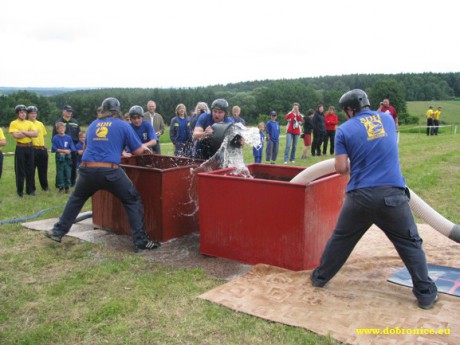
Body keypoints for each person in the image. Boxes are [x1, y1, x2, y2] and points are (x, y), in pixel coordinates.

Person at [310, 89, 438, 310]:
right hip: (392, 195)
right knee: (410, 244)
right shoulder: (387, 119)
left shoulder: (344, 130)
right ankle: (425, 294)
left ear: (350, 109)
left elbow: (340, 167)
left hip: (359, 197)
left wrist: (357, 163)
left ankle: (319, 278)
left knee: (341, 239)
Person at [45, 97, 161, 251]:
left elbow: (88, 148)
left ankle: (58, 231)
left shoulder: (93, 124)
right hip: (110, 171)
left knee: (76, 199)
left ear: (103, 110)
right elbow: (138, 150)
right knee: (132, 200)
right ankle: (140, 240)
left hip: (86, 170)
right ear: (117, 110)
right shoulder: (123, 125)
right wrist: (146, 150)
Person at [9, 105, 37, 197]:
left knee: (30, 169)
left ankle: (30, 190)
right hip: (20, 147)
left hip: (29, 147)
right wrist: (28, 133)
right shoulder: (14, 123)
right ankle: (20, 192)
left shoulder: (29, 123)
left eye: (24, 112)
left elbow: (35, 134)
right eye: (21, 112)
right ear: (17, 113)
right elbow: (16, 136)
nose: (23, 114)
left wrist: (23, 132)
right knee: (20, 170)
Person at [52, 105, 80, 187]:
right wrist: (59, 149)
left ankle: (71, 183)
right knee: (61, 167)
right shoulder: (58, 122)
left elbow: (79, 135)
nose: (69, 113)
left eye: (70, 111)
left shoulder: (75, 122)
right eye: (67, 111)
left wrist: (75, 148)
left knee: (72, 166)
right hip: (61, 149)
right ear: (63, 111)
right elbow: (54, 136)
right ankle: (60, 184)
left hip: (72, 148)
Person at [27, 106, 49, 192]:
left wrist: (45, 146)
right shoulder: (27, 124)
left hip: (42, 148)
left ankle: (45, 187)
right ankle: (32, 188)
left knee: (43, 170)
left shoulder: (40, 124)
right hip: (32, 148)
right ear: (28, 114)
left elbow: (43, 135)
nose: (34, 115)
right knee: (31, 170)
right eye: (32, 113)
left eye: (35, 113)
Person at [52, 122, 76, 193]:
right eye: (60, 128)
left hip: (67, 157)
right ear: (57, 129)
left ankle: (67, 187)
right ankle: (61, 187)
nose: (62, 129)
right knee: (60, 172)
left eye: (63, 128)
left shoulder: (68, 137)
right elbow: (54, 148)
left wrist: (68, 151)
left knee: (68, 172)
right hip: (60, 157)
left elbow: (72, 148)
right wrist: (62, 150)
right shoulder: (55, 138)